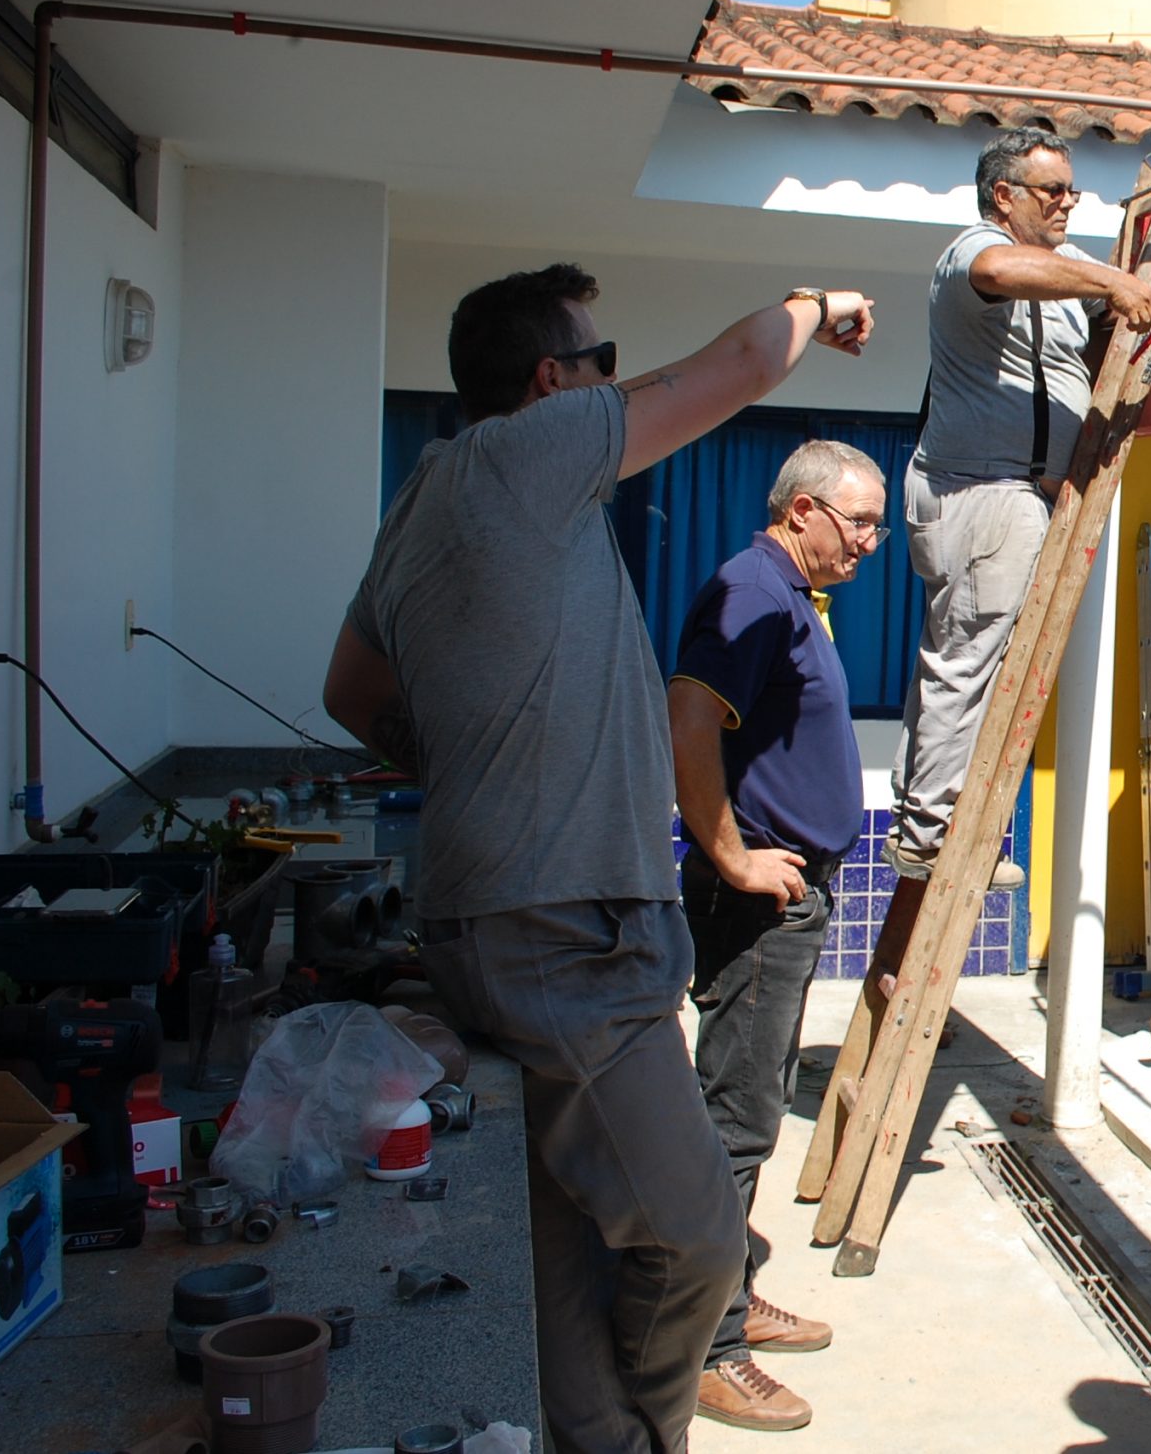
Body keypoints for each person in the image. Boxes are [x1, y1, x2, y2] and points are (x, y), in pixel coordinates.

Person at [323, 265, 874, 1454]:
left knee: (566, 1232)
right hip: (564, 921)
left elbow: (349, 690)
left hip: (485, 912)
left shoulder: (420, 498)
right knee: (698, 1236)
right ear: (549, 382)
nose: (615, 383)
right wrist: (816, 304)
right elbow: (736, 367)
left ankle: (593, 1436)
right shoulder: (533, 449)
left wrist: (466, 757)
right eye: (601, 363)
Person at [668, 440, 886, 1432]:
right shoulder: (754, 590)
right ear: (803, 509)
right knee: (737, 1122)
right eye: (859, 522)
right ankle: (705, 1349)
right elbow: (687, 718)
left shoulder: (790, 594)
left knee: (749, 1109)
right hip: (756, 907)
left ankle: (733, 1292)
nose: (870, 542)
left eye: (876, 525)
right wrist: (732, 857)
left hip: (786, 902)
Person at [887, 127, 1151, 884]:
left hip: (1013, 494)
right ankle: (930, 832)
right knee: (967, 661)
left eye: (1073, 190)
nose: (1068, 203)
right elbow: (1002, 269)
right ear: (1004, 196)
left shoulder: (1063, 274)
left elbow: (1092, 307)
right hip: (984, 490)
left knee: (971, 659)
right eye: (1052, 191)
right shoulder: (975, 251)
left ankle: (932, 817)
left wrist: (1123, 292)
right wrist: (1110, 282)